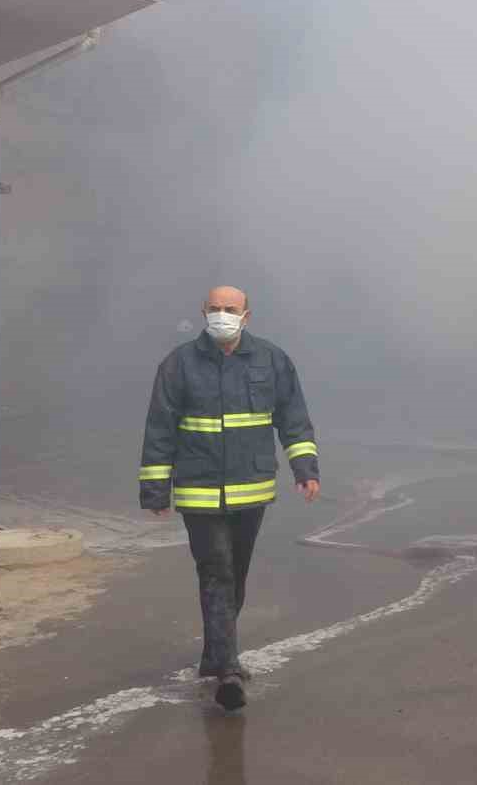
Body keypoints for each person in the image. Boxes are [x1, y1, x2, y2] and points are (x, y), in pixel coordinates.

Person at [138, 286, 321, 711]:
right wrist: (154, 488)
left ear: (247, 316)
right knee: (216, 570)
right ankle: (229, 670)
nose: (222, 315)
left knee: (235, 575)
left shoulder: (272, 361)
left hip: (251, 489)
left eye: (231, 309)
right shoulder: (178, 364)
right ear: (203, 312)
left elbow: (293, 419)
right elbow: (160, 428)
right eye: (215, 309)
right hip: (199, 491)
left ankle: (213, 655)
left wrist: (305, 470)